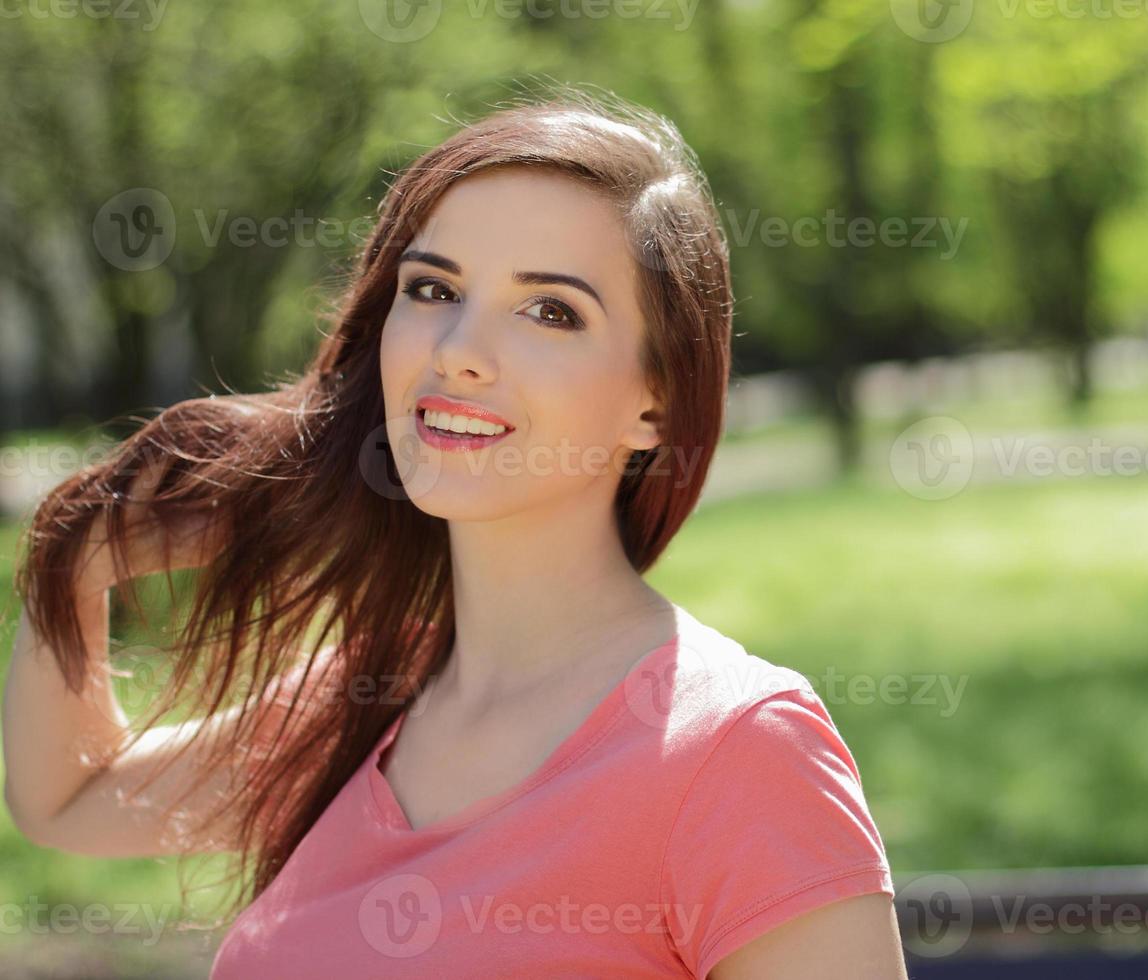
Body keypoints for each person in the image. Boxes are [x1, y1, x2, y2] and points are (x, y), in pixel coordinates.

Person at [2, 84, 908, 977]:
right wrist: (83, 556)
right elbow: (67, 799)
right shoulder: (363, 700)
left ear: (656, 403)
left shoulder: (740, 749)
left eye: (551, 309)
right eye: (433, 289)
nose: (458, 349)